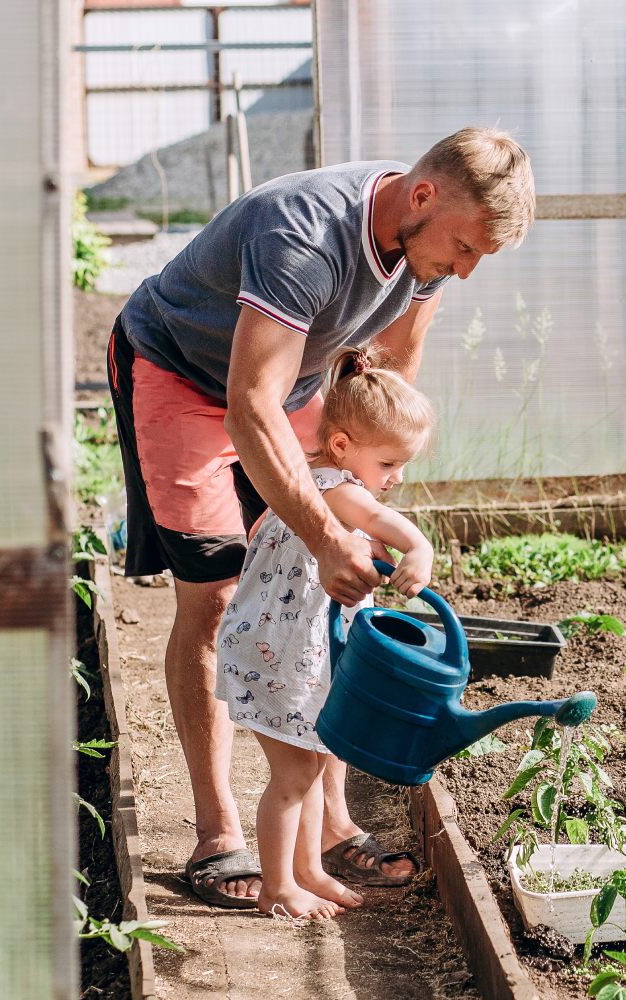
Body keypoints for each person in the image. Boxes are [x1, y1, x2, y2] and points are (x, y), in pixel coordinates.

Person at [105, 127, 535, 907]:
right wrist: (325, 530)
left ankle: (331, 824)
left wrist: (364, 503)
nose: (465, 270)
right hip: (183, 369)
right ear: (423, 194)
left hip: (293, 385)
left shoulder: (426, 252)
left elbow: (393, 377)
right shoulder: (304, 234)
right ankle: (219, 833)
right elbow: (248, 404)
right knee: (214, 598)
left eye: (480, 258)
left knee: (332, 595)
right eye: (466, 247)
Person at [218, 344, 437, 919]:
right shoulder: (333, 485)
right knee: (291, 775)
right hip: (276, 655)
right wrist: (419, 544)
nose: (394, 478)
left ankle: (307, 869)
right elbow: (383, 520)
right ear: (342, 445)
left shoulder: (331, 483)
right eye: (388, 464)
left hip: (293, 652)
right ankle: (276, 885)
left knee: (312, 763)